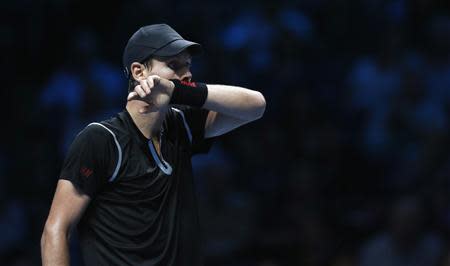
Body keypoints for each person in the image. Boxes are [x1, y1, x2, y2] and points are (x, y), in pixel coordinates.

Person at [40, 24, 266, 266]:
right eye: (174, 65)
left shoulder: (181, 125)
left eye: (188, 65)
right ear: (139, 71)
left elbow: (256, 106)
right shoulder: (100, 139)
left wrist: (180, 92)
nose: (187, 74)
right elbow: (55, 230)